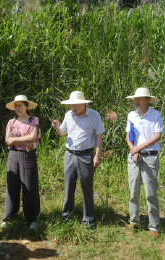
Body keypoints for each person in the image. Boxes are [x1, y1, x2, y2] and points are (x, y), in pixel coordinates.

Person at [50, 91, 105, 229]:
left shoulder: (94, 115)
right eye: (71, 105)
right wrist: (57, 127)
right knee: (69, 186)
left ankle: (88, 219)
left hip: (86, 155)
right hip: (69, 155)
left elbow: (99, 136)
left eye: (75, 105)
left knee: (86, 187)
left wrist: (97, 156)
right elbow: (62, 134)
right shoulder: (68, 115)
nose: (73, 108)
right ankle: (66, 215)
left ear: (83, 103)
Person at [125, 88, 164, 239]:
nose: (136, 101)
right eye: (135, 98)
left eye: (140, 98)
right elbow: (129, 136)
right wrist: (133, 150)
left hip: (149, 157)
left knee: (150, 193)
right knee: (133, 191)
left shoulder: (155, 115)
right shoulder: (131, 115)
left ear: (148, 100)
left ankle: (154, 226)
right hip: (133, 156)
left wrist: (138, 149)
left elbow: (157, 136)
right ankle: (134, 220)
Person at [2, 95, 40, 230]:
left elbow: (32, 137)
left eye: (20, 105)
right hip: (13, 155)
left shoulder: (33, 120)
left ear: (26, 106)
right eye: (16, 106)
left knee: (30, 186)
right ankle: (9, 216)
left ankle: (32, 217)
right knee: (12, 185)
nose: (18, 108)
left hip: (28, 155)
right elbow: (7, 140)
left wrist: (14, 140)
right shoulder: (11, 122)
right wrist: (20, 141)